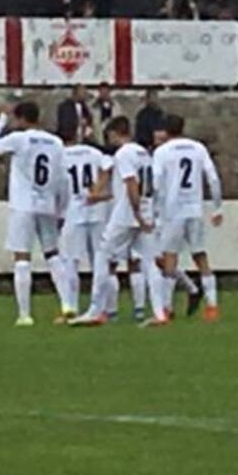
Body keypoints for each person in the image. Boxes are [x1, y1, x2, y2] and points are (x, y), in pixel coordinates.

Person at [0, 102, 67, 327]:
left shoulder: (20, 138)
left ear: (19, 119)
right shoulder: (56, 142)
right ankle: (68, 305)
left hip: (23, 205)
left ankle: (25, 314)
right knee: (53, 255)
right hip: (47, 203)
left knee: (22, 259)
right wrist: (61, 207)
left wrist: (1, 120)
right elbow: (61, 178)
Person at [71, 117, 157, 327]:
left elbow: (131, 184)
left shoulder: (124, 153)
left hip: (126, 214)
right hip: (145, 209)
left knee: (103, 255)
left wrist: (136, 213)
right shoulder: (144, 153)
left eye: (109, 135)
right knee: (148, 261)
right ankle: (159, 310)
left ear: (117, 133)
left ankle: (96, 310)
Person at [152, 115, 224, 322]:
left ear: (166, 131)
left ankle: (166, 308)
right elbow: (213, 178)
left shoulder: (162, 152)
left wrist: (155, 211)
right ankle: (212, 306)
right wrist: (217, 207)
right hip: (194, 208)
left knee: (169, 258)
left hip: (172, 211)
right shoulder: (197, 148)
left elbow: (156, 183)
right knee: (200, 256)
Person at [54, 128, 111, 321]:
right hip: (97, 209)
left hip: (73, 211)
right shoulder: (94, 153)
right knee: (101, 260)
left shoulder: (60, 155)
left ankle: (71, 307)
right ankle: (106, 308)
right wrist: (97, 190)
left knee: (71, 261)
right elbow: (108, 167)